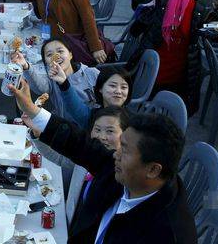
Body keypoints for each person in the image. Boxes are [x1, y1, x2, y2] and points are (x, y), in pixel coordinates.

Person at [12, 79, 197, 243]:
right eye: (121, 145)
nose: (115, 154)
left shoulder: (168, 233)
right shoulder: (127, 173)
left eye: (125, 151)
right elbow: (80, 144)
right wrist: (33, 110)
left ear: (153, 170)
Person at [132, 0, 212, 115]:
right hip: (161, 46)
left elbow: (206, 17)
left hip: (184, 52)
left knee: (178, 90)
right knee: (154, 85)